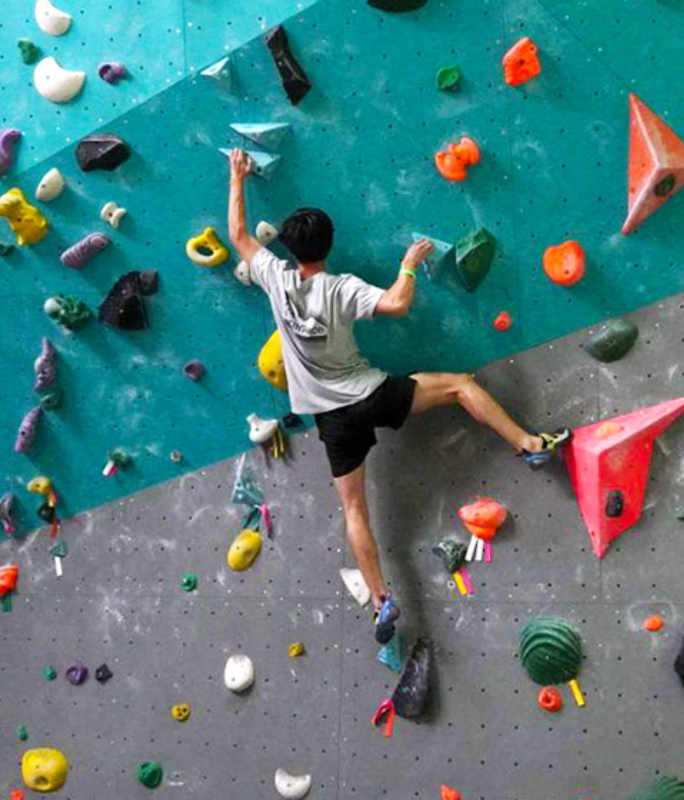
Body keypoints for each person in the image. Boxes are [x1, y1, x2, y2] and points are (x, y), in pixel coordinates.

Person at [227, 149, 569, 643]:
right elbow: (397, 303)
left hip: (331, 418)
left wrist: (236, 176)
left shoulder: (274, 279)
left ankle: (382, 602)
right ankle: (530, 446)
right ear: (330, 244)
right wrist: (408, 265)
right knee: (459, 385)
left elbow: (238, 234)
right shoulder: (339, 287)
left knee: (355, 512)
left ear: (287, 248)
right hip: (371, 393)